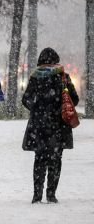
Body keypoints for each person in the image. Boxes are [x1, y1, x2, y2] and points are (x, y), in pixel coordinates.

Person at [22, 47, 79, 204]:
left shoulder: (35, 77)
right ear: (56, 59)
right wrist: (59, 108)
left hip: (39, 126)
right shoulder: (63, 77)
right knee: (55, 159)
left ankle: (37, 194)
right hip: (58, 126)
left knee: (39, 159)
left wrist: (38, 110)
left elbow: (26, 99)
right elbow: (74, 99)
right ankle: (51, 194)